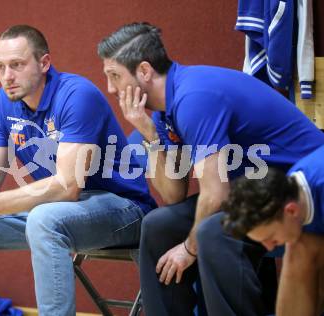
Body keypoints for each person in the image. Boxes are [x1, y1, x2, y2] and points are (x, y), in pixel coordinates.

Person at [97, 22, 324, 315]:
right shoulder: (164, 114)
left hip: (297, 188)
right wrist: (149, 135)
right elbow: (173, 195)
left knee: (212, 234)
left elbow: (215, 194)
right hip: (246, 191)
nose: (110, 88)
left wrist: (188, 249)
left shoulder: (194, 97)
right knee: (159, 225)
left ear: (144, 71)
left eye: (114, 76)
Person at [0, 25, 156, 316]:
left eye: (17, 65)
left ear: (44, 63)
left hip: (123, 209)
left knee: (43, 219)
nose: (7, 76)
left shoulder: (77, 95)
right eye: (0, 67)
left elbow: (67, 186)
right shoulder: (4, 103)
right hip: (58, 211)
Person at [222, 145, 324, 316]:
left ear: (291, 211)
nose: (269, 248)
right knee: (300, 250)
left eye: (270, 238)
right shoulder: (293, 191)